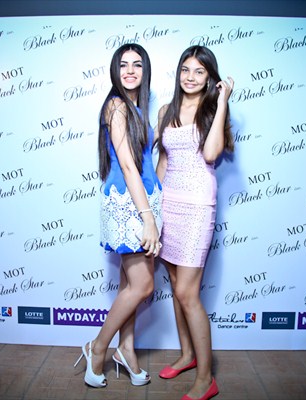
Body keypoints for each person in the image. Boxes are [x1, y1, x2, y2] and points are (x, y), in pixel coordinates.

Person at [73, 43, 163, 388]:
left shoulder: (137, 109)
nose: (130, 71)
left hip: (143, 199)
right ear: (115, 70)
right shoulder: (116, 105)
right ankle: (97, 347)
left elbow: (145, 163)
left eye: (137, 65)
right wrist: (148, 218)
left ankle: (126, 349)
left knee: (130, 285)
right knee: (143, 285)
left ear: (145, 71)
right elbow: (127, 165)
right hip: (129, 204)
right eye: (123, 64)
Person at [155, 45, 234, 400]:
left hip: (197, 204)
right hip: (168, 203)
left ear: (210, 77)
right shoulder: (166, 111)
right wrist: (153, 211)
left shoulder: (212, 110)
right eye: (185, 69)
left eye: (199, 71)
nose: (190, 77)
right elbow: (163, 162)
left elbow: (211, 153)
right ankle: (187, 355)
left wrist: (223, 101)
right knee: (175, 284)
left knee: (188, 293)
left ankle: (206, 378)